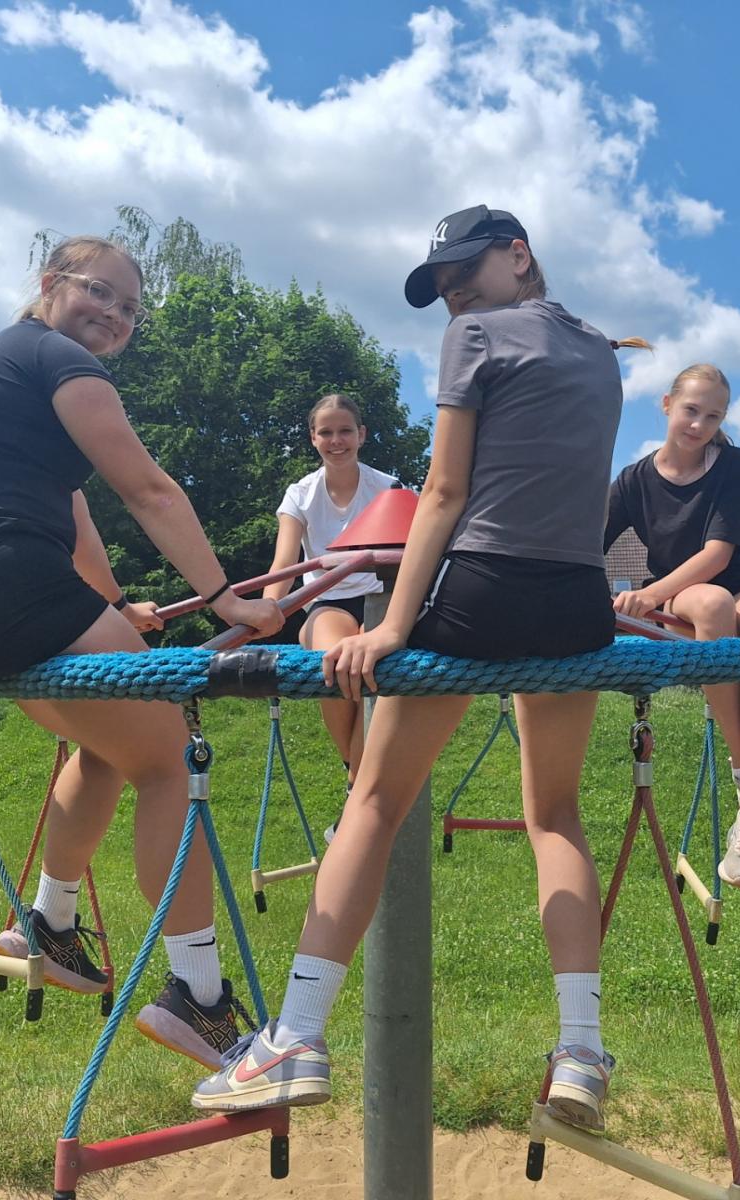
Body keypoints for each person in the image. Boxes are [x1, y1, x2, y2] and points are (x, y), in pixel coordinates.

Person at [193, 205, 643, 1133]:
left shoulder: (475, 338)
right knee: (555, 815)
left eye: (465, 272)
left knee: (375, 800)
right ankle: (581, 1051)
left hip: (484, 589)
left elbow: (444, 491)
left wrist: (395, 623)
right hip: (576, 599)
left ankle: (294, 1038)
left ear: (519, 254)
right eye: (442, 285)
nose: (452, 295)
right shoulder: (600, 353)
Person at [0, 235, 284, 1068]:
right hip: (6, 588)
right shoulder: (59, 361)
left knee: (109, 748)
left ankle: (52, 922)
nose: (114, 314)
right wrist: (226, 597)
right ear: (50, 284)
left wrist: (111, 608)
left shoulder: (0, 367)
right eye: (98, 292)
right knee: (170, 762)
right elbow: (148, 490)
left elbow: (72, 519)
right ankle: (200, 1001)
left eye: (130, 308)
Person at [604, 363, 740, 893]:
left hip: (739, 575)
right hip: (685, 592)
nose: (699, 425)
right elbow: (586, 544)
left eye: (713, 416)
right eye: (691, 410)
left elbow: (720, 553)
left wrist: (648, 594)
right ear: (666, 405)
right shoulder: (633, 481)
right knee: (714, 604)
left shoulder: (733, 463)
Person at [263, 395, 398, 839]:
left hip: (381, 596)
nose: (336, 440)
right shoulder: (301, 494)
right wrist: (267, 610)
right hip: (329, 599)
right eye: (326, 432)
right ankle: (355, 772)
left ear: (361, 435)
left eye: (345, 431)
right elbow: (285, 563)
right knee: (336, 664)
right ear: (313, 438)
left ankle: (356, 788)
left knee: (376, 673)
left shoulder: (387, 488)